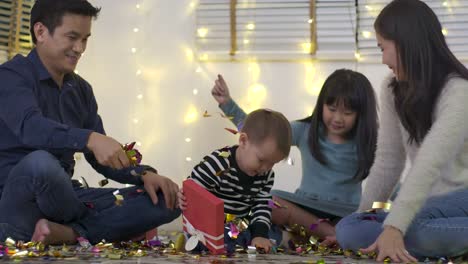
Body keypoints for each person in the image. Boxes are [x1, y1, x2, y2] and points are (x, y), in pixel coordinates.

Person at [0, 0, 180, 245]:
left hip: (65, 195)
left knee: (167, 200)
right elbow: (32, 128)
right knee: (40, 164)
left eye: (85, 39)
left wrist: (143, 173)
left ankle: (67, 233)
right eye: (72, 37)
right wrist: (89, 138)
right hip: (16, 201)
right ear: (40, 32)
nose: (79, 48)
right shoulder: (11, 76)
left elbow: (100, 158)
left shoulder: (81, 90)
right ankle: (82, 228)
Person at [335, 0, 468, 261]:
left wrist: (395, 226)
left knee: (405, 223)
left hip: (461, 198)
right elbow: (388, 161)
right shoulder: (391, 89)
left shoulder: (459, 91)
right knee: (348, 229)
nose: (383, 59)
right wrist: (363, 215)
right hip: (426, 205)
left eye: (383, 48)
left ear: (408, 43)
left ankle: (408, 233)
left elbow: (430, 162)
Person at [211, 69, 378, 243]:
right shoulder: (306, 130)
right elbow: (260, 134)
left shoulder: (368, 141)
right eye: (332, 109)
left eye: (347, 113)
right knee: (269, 201)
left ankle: (320, 236)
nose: (337, 118)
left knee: (377, 219)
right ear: (321, 104)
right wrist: (227, 104)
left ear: (361, 114)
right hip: (306, 209)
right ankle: (335, 235)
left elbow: (390, 171)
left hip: (346, 213)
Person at [178, 109, 292, 253]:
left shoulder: (267, 175)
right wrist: (183, 196)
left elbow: (261, 206)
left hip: (239, 224)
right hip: (209, 226)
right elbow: (193, 189)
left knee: (272, 233)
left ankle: (246, 239)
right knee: (224, 238)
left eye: (272, 163)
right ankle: (200, 241)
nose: (265, 168)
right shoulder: (219, 163)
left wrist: (260, 235)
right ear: (243, 141)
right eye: (261, 160)